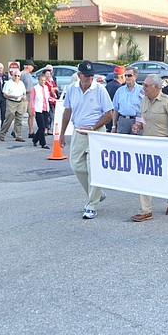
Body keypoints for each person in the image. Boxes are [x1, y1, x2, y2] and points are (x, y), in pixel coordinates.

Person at [59, 60, 114, 220]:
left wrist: (94, 128)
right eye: (87, 76)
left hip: (96, 133)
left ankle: (91, 205)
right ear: (79, 75)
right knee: (76, 165)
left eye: (92, 75)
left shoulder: (100, 90)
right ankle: (98, 193)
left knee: (94, 168)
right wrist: (62, 133)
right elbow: (67, 111)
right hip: (78, 131)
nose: (90, 78)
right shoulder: (72, 89)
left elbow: (109, 113)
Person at [129, 74, 168, 222]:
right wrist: (138, 125)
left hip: (165, 146)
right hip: (147, 146)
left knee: (167, 177)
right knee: (143, 177)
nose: (143, 88)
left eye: (146, 86)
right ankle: (145, 210)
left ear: (155, 87)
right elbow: (141, 118)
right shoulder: (143, 101)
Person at [111, 66, 143, 134]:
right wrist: (113, 126)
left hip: (137, 121)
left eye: (129, 75)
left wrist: (140, 123)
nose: (127, 78)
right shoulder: (120, 90)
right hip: (123, 121)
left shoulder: (141, 90)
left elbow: (145, 108)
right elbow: (115, 109)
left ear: (135, 76)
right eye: (125, 75)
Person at [0, 69, 27, 142]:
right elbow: (5, 94)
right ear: (12, 75)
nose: (17, 77)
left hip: (20, 102)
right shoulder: (8, 83)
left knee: (19, 119)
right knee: (9, 118)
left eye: (18, 76)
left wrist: (24, 96)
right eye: (15, 75)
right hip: (11, 101)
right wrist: (12, 96)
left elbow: (24, 92)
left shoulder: (21, 83)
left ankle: (18, 135)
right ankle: (2, 134)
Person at [29, 74, 50, 149]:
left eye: (44, 80)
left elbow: (47, 97)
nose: (43, 82)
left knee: (43, 126)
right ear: (38, 80)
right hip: (38, 109)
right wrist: (32, 109)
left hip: (45, 108)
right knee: (42, 127)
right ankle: (43, 143)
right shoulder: (35, 88)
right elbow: (32, 99)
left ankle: (35, 139)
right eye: (41, 80)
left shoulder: (46, 87)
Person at [104, 65, 125, 132]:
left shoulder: (108, 86)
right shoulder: (120, 89)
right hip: (115, 119)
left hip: (106, 117)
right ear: (122, 76)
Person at [20, 61, 36, 137]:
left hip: (30, 98)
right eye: (32, 66)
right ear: (28, 66)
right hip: (23, 98)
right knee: (20, 115)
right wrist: (26, 91)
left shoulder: (30, 75)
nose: (33, 68)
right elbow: (18, 87)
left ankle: (31, 132)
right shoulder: (21, 74)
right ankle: (16, 131)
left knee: (31, 114)